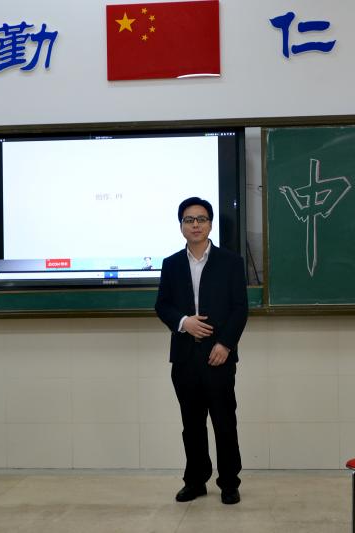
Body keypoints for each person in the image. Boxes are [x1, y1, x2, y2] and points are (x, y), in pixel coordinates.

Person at [155, 197, 248, 505]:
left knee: (224, 422)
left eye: (201, 219)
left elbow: (240, 308)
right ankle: (195, 481)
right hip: (185, 358)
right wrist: (185, 322)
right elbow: (162, 305)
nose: (195, 225)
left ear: (210, 224)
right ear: (181, 225)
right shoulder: (171, 264)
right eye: (188, 220)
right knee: (192, 425)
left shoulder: (231, 262)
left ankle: (229, 482)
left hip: (219, 356)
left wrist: (226, 344)